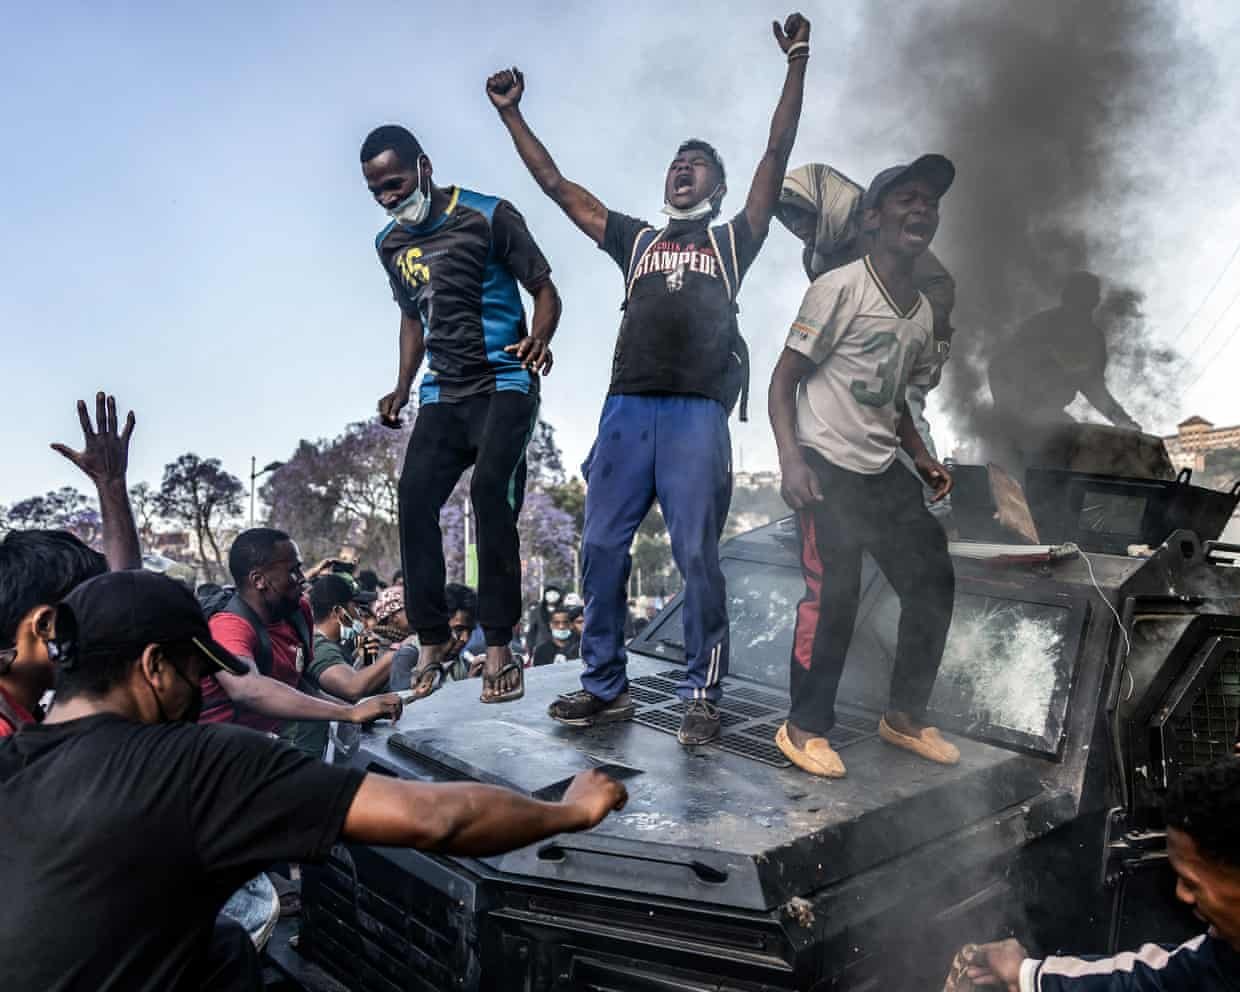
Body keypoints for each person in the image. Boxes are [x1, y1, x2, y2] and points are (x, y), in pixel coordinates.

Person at [0, 569, 627, 992]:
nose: (201, 691)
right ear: (154, 666)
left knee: (224, 949)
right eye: (196, 673)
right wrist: (567, 812)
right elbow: (437, 818)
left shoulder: (14, 756)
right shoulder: (198, 763)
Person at [488, 11, 812, 745]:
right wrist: (513, 113)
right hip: (629, 412)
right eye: (676, 159)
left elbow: (775, 149)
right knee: (600, 549)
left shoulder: (733, 240)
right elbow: (554, 184)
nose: (682, 167)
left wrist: (796, 61)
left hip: (696, 415)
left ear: (719, 190)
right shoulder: (634, 239)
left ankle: (703, 691)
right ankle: (603, 686)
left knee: (699, 557)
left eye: (697, 163)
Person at [768, 157, 959, 778]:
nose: (921, 210)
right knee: (836, 595)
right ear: (872, 218)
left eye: (929, 203)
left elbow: (895, 397)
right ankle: (803, 729)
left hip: (882, 467)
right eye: (907, 199)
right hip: (826, 465)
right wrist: (792, 460)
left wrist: (922, 456)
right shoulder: (840, 286)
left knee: (932, 579)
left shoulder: (923, 311)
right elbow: (783, 380)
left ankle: (904, 716)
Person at [363, 124, 562, 707]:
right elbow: (412, 318)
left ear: (424, 166)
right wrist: (401, 386)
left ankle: (499, 642)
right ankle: (429, 638)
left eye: (395, 184)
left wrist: (539, 338)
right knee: (413, 499)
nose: (388, 199)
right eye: (376, 192)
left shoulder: (489, 215)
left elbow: (546, 290)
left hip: (504, 382)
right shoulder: (389, 245)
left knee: (489, 494)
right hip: (443, 393)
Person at [961, 758, 1240, 991]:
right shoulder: (1223, 952)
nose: (1181, 894)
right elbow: (1153, 980)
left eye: (1192, 883)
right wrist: (1026, 973)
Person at [775, 162, 957, 516]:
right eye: (787, 217)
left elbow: (937, 285)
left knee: (904, 410)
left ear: (822, 204)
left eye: (801, 214)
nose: (797, 226)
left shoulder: (877, 232)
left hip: (909, 337)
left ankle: (935, 506)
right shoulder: (817, 251)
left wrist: (917, 336)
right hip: (850, 349)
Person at [0, 391, 141, 737]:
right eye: (87, 614)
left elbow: (125, 593)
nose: (100, 628)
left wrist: (111, 485)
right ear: (45, 626)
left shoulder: (24, 714)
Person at [199, 528, 404, 734]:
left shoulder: (297, 613)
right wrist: (348, 714)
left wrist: (354, 712)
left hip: (260, 744)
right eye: (292, 571)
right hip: (214, 753)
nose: (302, 579)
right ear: (258, 580)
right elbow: (247, 689)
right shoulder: (228, 627)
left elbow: (296, 685)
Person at [988, 270, 1140, 433]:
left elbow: (1095, 389)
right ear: (1066, 297)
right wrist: (1010, 408)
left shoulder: (1093, 341)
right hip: (1016, 414)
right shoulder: (1038, 327)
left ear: (1095, 301)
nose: (1081, 305)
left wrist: (1123, 421)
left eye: (1087, 298)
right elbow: (999, 366)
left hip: (1050, 416)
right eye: (1077, 297)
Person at [283, 574, 399, 758]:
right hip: (304, 758)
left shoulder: (334, 645)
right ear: (339, 612)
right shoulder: (319, 647)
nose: (359, 616)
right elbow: (352, 687)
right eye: (355, 607)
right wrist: (399, 650)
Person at [524, 583, 564, 656]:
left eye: (554, 593)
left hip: (561, 649)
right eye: (550, 593)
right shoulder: (536, 611)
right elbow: (532, 632)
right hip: (541, 647)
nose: (552, 596)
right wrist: (529, 649)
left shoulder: (564, 610)